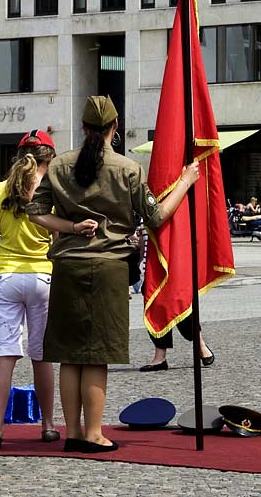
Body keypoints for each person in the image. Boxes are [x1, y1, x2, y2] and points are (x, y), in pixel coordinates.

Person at [27, 96, 199, 453]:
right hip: (108, 267)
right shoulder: (127, 169)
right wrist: (184, 182)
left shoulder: (59, 165)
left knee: (70, 355)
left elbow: (36, 212)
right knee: (96, 354)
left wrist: (72, 227)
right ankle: (93, 433)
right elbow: (155, 217)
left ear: (84, 126)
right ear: (114, 128)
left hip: (67, 267)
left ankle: (73, 431)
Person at [0, 129, 60, 450]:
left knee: (4, 355)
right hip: (42, 277)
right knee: (42, 357)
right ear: (48, 159)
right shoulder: (52, 191)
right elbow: (58, 240)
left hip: (6, 278)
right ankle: (49, 425)